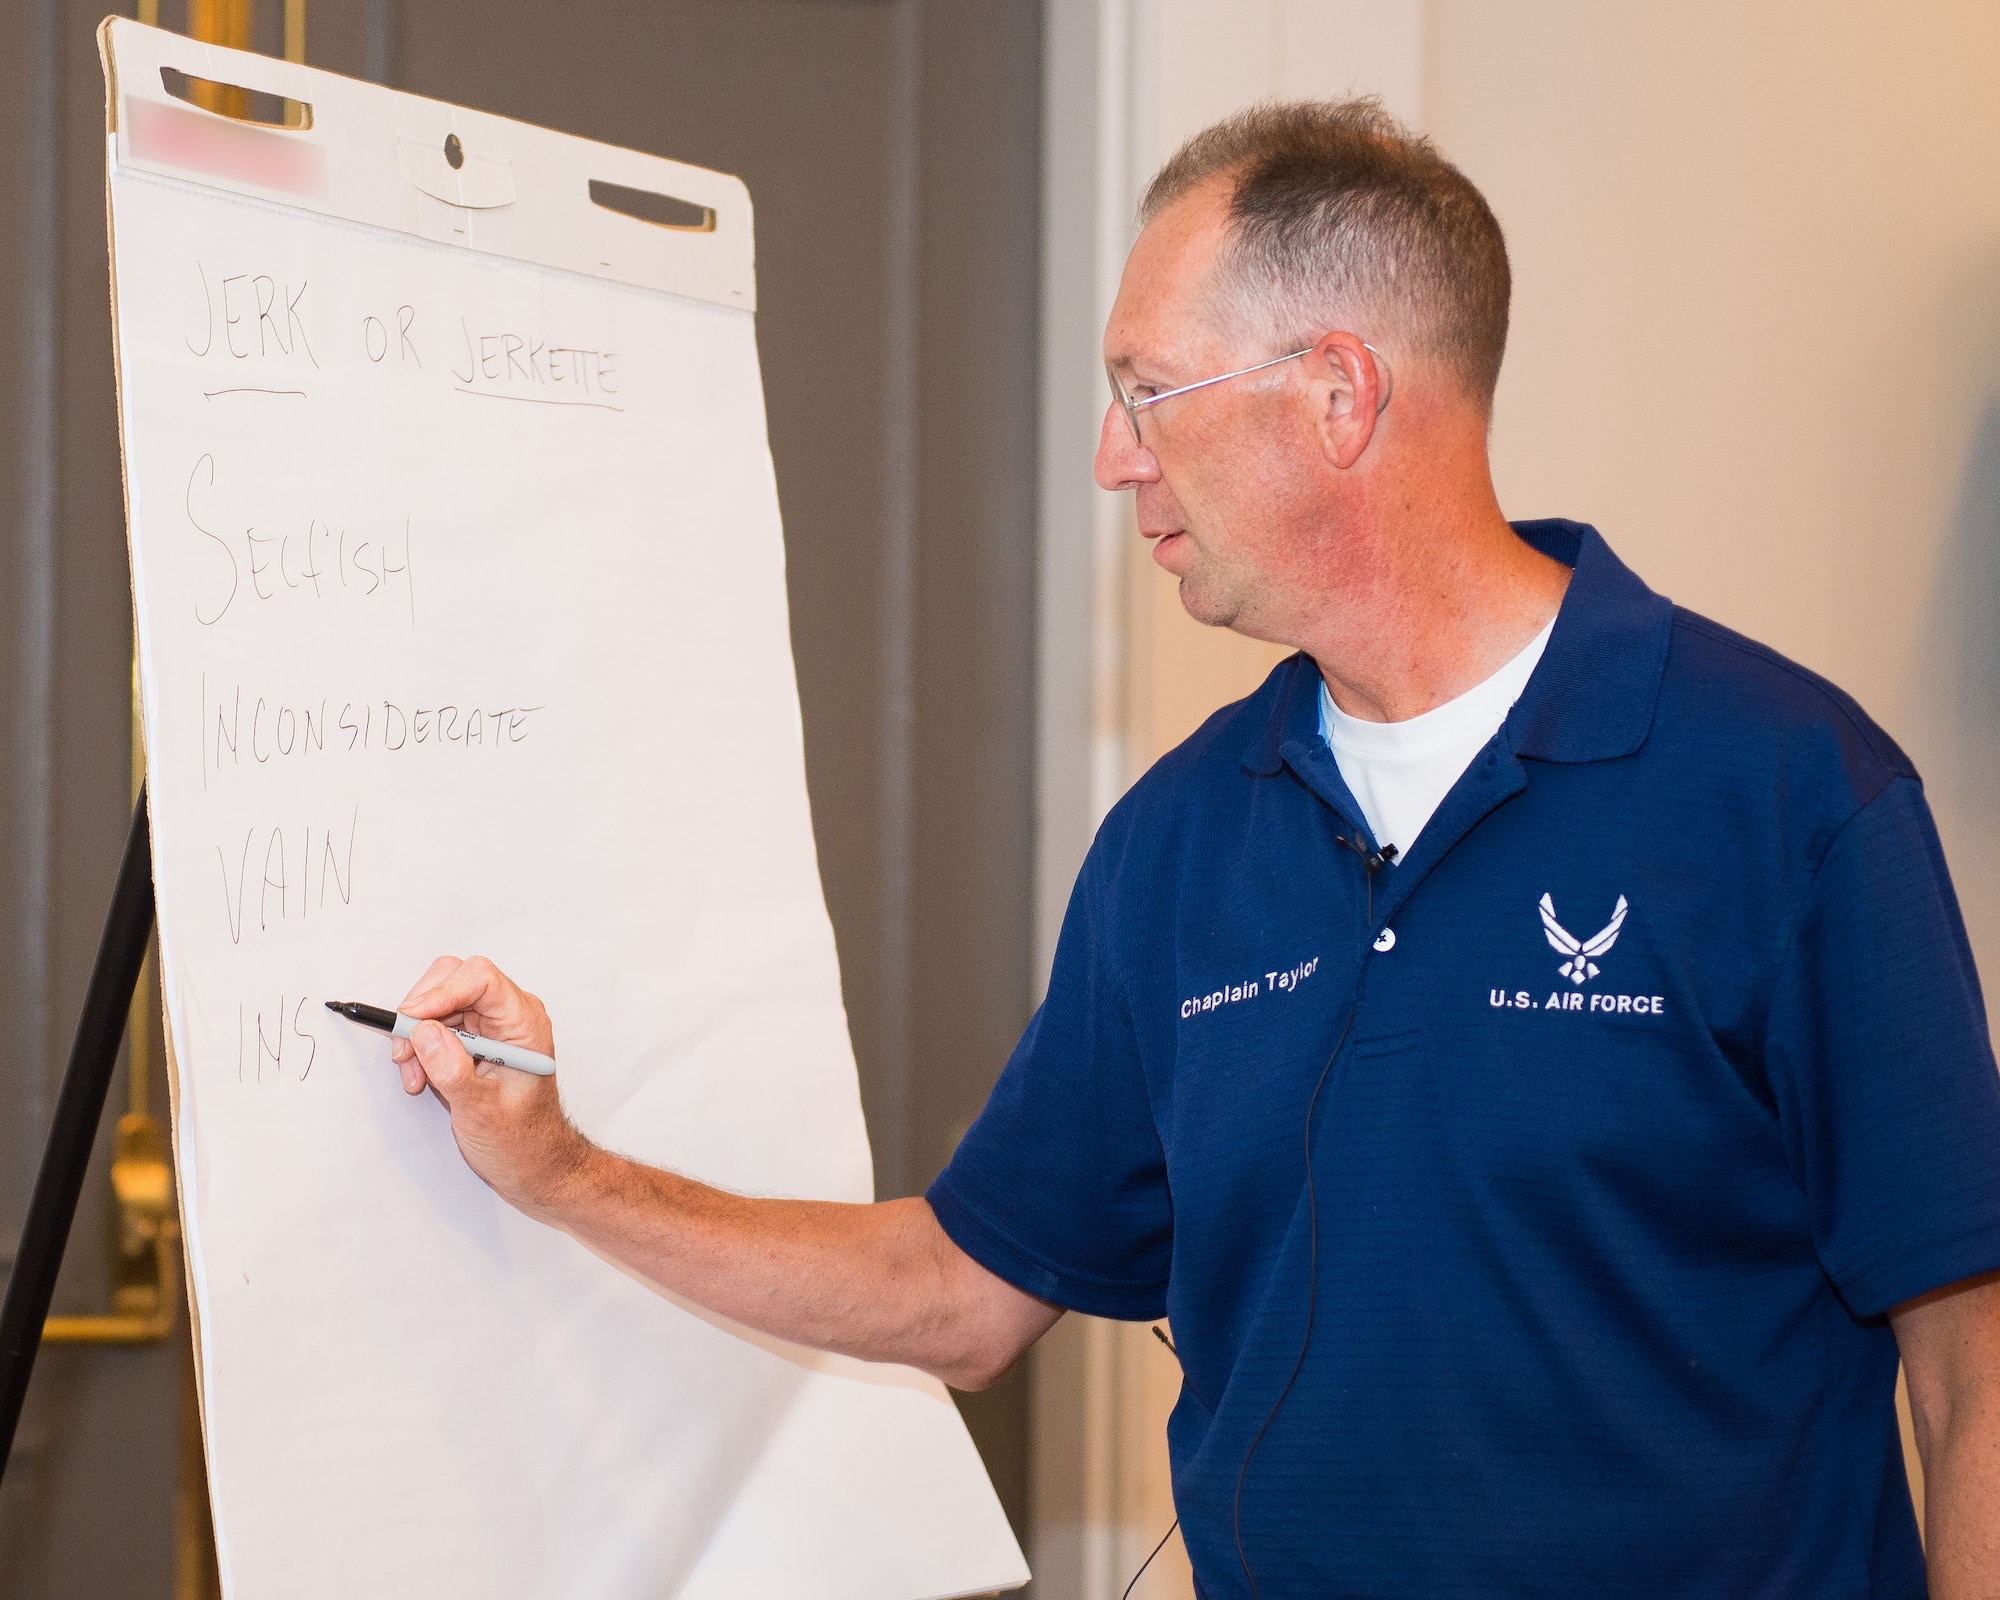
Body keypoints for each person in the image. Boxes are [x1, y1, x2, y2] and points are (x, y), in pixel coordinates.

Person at [386, 102, 2000, 1597]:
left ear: (1340, 394)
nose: (1113, 456)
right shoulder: (1180, 840)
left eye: (1149, 390)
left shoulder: (1786, 791)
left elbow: (1972, 1367)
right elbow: (958, 1294)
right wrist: (565, 1170)